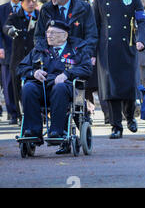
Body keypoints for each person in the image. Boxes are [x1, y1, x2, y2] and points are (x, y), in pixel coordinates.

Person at [17, 19, 92, 154]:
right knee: (28, 87)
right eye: (48, 32)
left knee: (60, 88)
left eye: (53, 33)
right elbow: (21, 67)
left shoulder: (77, 49)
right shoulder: (40, 49)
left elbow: (87, 68)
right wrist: (34, 72)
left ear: (65, 35)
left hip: (66, 88)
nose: (49, 36)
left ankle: (57, 131)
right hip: (42, 86)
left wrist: (67, 74)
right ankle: (32, 132)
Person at [93, 0, 145, 139]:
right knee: (111, 89)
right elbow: (95, 26)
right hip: (107, 50)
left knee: (130, 85)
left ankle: (130, 116)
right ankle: (116, 126)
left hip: (128, 47)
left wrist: (140, 40)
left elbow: (142, 20)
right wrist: (92, 52)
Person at [34, 0, 98, 63]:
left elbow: (91, 35)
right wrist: (45, 56)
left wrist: (84, 56)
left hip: (78, 61)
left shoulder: (84, 8)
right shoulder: (46, 9)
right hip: (53, 62)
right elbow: (39, 36)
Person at [2, 0, 39, 124]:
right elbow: (6, 26)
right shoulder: (15, 16)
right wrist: (10, 30)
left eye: (33, 1)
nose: (31, 3)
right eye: (28, 1)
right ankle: (17, 115)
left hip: (35, 59)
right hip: (17, 58)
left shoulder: (40, 16)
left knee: (36, 86)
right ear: (22, 3)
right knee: (16, 87)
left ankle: (40, 113)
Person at [0, 0, 23, 124]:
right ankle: (13, 114)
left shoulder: (27, 6)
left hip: (24, 52)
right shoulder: (2, 9)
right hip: (7, 52)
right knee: (8, 84)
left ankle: (28, 112)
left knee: (26, 83)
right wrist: (0, 47)